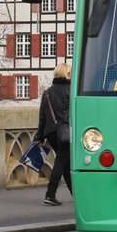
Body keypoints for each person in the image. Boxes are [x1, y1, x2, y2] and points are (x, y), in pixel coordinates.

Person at [35, 62, 73, 206]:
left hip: (51, 133)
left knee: (65, 163)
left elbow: (42, 118)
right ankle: (50, 194)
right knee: (61, 162)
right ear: (67, 74)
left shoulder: (47, 92)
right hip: (65, 132)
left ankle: (75, 194)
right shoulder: (71, 90)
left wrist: (39, 137)